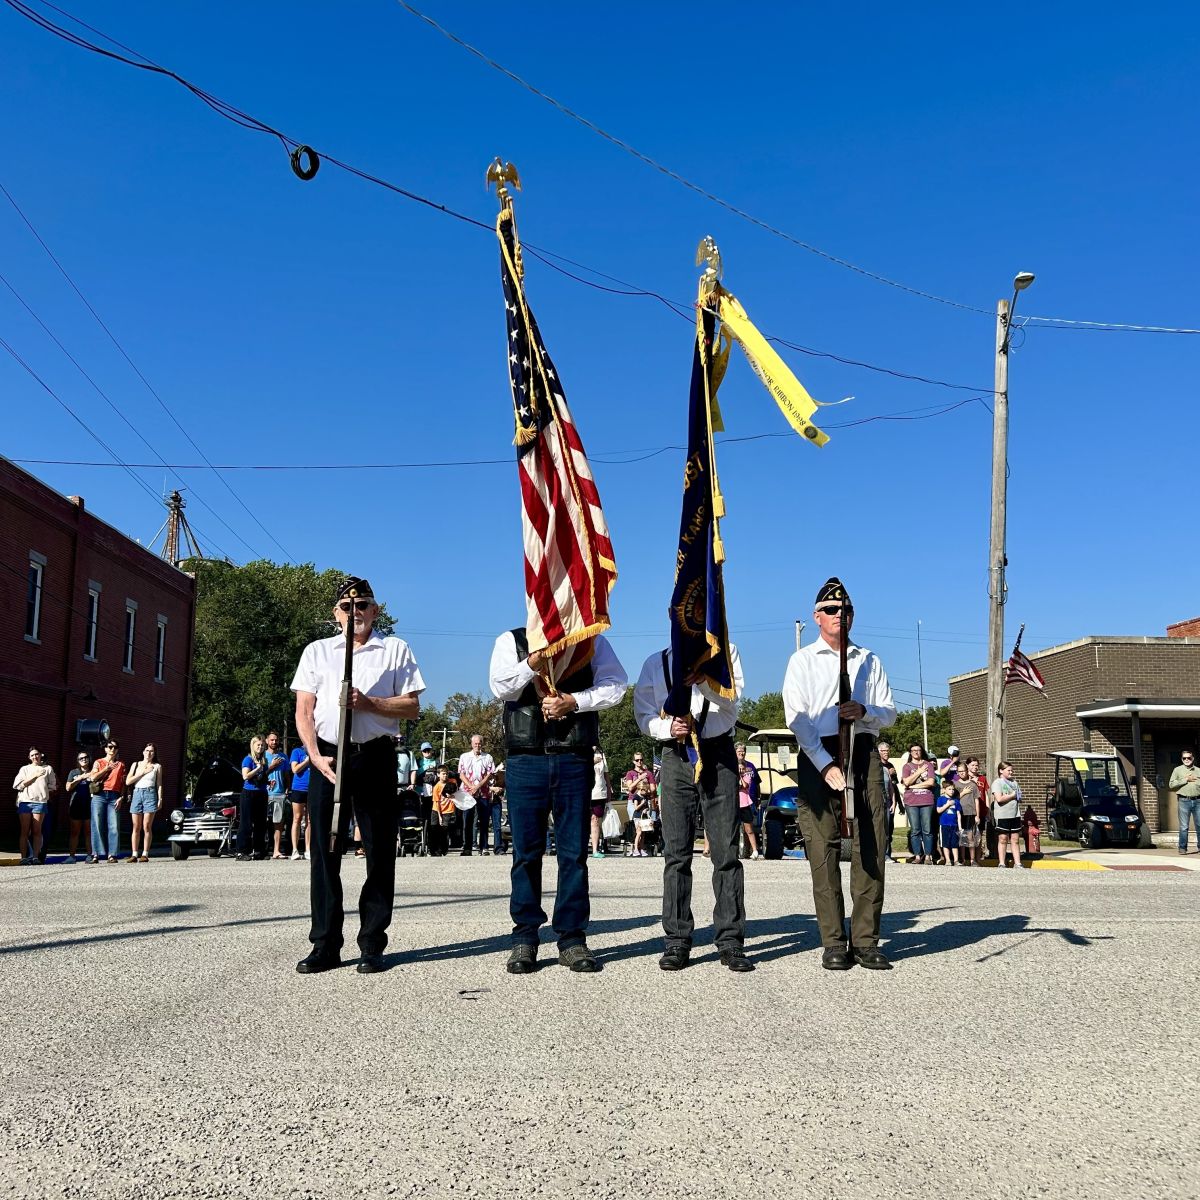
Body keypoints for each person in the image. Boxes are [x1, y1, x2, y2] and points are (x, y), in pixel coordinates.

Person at [291, 577, 425, 975]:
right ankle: (325, 943)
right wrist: (314, 754)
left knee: (380, 851)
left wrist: (369, 703)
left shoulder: (395, 649)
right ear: (336, 614)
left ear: (375, 610)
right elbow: (304, 710)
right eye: (347, 607)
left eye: (363, 605)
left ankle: (372, 943)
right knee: (324, 852)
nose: (356, 613)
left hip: (375, 756)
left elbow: (412, 707)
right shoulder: (318, 652)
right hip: (328, 758)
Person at [490, 628, 628, 974]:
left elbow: (616, 686)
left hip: (573, 756)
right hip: (525, 759)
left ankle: (572, 938)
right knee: (526, 854)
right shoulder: (512, 640)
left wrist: (574, 701)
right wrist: (533, 660)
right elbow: (501, 687)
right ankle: (525, 937)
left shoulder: (590, 640)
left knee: (573, 854)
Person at [782, 578, 897, 972]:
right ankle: (833, 940)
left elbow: (890, 712)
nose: (839, 616)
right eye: (831, 610)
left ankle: (865, 940)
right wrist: (824, 764)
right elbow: (796, 719)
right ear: (817, 617)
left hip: (863, 752)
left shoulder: (870, 660)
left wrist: (864, 712)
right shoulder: (802, 660)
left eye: (845, 610)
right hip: (819, 755)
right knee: (822, 848)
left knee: (870, 843)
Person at [634, 640, 753, 974]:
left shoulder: (725, 652)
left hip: (718, 754)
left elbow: (733, 700)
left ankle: (730, 940)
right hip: (676, 755)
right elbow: (643, 714)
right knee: (676, 853)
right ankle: (677, 939)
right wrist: (665, 727)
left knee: (726, 854)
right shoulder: (656, 663)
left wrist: (703, 680)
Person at [13, 747, 57, 865]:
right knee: (25, 831)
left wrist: (43, 792)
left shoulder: (48, 769)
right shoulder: (25, 769)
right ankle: (23, 857)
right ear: (29, 757)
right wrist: (35, 776)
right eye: (32, 755)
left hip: (40, 802)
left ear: (40, 755)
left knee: (37, 830)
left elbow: (52, 786)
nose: (34, 757)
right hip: (25, 802)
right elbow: (18, 785)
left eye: (36, 754)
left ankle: (35, 857)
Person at [87, 738, 127, 863]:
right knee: (97, 824)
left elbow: (124, 784)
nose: (112, 749)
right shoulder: (98, 762)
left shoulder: (121, 764)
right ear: (105, 749)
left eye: (115, 747)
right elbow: (93, 777)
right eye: (110, 747)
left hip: (114, 796)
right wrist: (106, 769)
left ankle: (112, 854)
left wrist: (121, 797)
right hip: (99, 795)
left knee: (113, 825)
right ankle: (96, 854)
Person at [459, 734, 498, 855]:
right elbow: (461, 774)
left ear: (482, 744)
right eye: (475, 743)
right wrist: (471, 786)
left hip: (483, 792)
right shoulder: (464, 757)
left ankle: (484, 847)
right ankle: (467, 847)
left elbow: (490, 774)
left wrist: (478, 786)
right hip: (468, 793)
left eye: (479, 743)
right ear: (471, 744)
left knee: (484, 821)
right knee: (468, 821)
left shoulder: (488, 757)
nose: (477, 745)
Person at [126, 743, 164, 863]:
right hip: (137, 793)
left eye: (151, 751)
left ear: (154, 753)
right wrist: (142, 772)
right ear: (143, 752)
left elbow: (159, 784)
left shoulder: (157, 766)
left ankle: (145, 853)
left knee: (146, 825)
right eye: (147, 750)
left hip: (150, 794)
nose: (149, 753)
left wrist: (160, 799)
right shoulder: (136, 764)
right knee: (136, 826)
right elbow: (128, 781)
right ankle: (134, 853)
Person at [901, 744, 937, 864]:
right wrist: (919, 772)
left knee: (927, 829)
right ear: (910, 753)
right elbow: (906, 781)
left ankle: (927, 856)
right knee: (915, 830)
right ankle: (917, 856)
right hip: (911, 802)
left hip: (927, 800)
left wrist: (912, 786)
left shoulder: (928, 765)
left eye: (918, 750)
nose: (916, 752)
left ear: (922, 751)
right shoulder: (907, 766)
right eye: (913, 750)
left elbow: (931, 782)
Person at [239, 736, 271, 861]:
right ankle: (242, 852)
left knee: (261, 823)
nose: (260, 747)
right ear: (253, 746)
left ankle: (259, 851)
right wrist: (257, 768)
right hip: (249, 793)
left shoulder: (264, 761)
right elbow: (245, 776)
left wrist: (268, 782)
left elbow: (262, 776)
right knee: (246, 823)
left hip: (261, 793)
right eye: (258, 745)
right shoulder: (248, 760)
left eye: (262, 745)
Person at [990, 762, 1024, 868]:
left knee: (1015, 839)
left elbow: (1020, 797)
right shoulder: (997, 783)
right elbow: (999, 799)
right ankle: (1001, 862)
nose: (1011, 772)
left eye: (1011, 770)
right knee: (1003, 838)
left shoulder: (1014, 782)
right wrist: (1012, 795)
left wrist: (1010, 796)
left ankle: (1017, 863)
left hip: (1015, 814)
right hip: (1002, 815)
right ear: (1001, 770)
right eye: (1008, 770)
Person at [263, 732, 289, 860]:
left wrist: (288, 788)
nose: (274, 742)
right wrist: (271, 766)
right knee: (261, 822)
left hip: (279, 793)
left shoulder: (283, 757)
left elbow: (286, 774)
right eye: (272, 740)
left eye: (276, 740)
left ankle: (276, 850)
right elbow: (260, 774)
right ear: (267, 741)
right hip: (264, 793)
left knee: (278, 823)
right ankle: (260, 849)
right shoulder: (262, 756)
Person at [1168, 750, 1200, 855]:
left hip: (1198, 801)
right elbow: (1171, 785)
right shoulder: (1177, 770)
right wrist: (1186, 779)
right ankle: (1182, 848)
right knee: (1184, 826)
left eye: (1189, 758)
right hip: (1184, 801)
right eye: (1184, 758)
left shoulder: (1198, 771)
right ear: (1182, 759)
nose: (1187, 760)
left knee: (1199, 825)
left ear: (1193, 758)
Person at [735, 741, 762, 861]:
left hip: (746, 802)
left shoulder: (749, 767)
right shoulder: (730, 766)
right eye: (739, 751)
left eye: (743, 751)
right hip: (733, 802)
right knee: (733, 828)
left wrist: (758, 798)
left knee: (749, 828)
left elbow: (752, 784)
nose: (742, 753)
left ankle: (754, 850)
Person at [65, 751, 93, 861]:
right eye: (81, 758)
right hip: (76, 804)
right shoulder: (74, 772)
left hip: (90, 804)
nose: (84, 759)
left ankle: (90, 855)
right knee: (74, 831)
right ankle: (71, 856)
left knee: (88, 832)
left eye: (86, 757)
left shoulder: (93, 771)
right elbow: (68, 788)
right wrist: (80, 778)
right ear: (78, 761)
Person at [877, 741, 901, 862]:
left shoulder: (889, 767)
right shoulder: (875, 767)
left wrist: (894, 802)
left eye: (887, 751)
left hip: (887, 802)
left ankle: (887, 854)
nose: (886, 753)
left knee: (887, 830)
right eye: (883, 751)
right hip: (876, 802)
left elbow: (893, 786)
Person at [956, 758, 983, 866]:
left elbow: (977, 800)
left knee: (971, 837)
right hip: (959, 814)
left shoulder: (973, 785)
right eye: (960, 772)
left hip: (971, 813)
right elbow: (954, 798)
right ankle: (962, 859)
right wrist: (963, 792)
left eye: (963, 771)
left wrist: (977, 815)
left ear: (967, 771)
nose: (962, 773)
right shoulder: (956, 784)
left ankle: (972, 860)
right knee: (962, 836)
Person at [288, 742, 311, 860]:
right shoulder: (297, 751)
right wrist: (307, 761)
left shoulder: (316, 751)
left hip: (312, 789)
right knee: (297, 818)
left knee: (309, 820)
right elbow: (295, 769)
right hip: (298, 788)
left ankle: (308, 849)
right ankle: (295, 850)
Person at [590, 748, 611, 859]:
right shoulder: (582, 749)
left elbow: (606, 773)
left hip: (599, 792)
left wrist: (609, 790)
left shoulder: (601, 753)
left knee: (596, 820)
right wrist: (592, 760)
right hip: (585, 790)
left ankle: (595, 850)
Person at [937, 780, 960, 866]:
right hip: (944, 824)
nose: (951, 791)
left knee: (955, 843)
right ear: (944, 790)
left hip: (954, 825)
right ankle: (947, 860)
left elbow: (958, 814)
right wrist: (947, 805)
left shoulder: (956, 801)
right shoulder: (941, 799)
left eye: (953, 789)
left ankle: (956, 860)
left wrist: (960, 826)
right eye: (949, 789)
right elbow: (938, 810)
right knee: (945, 843)